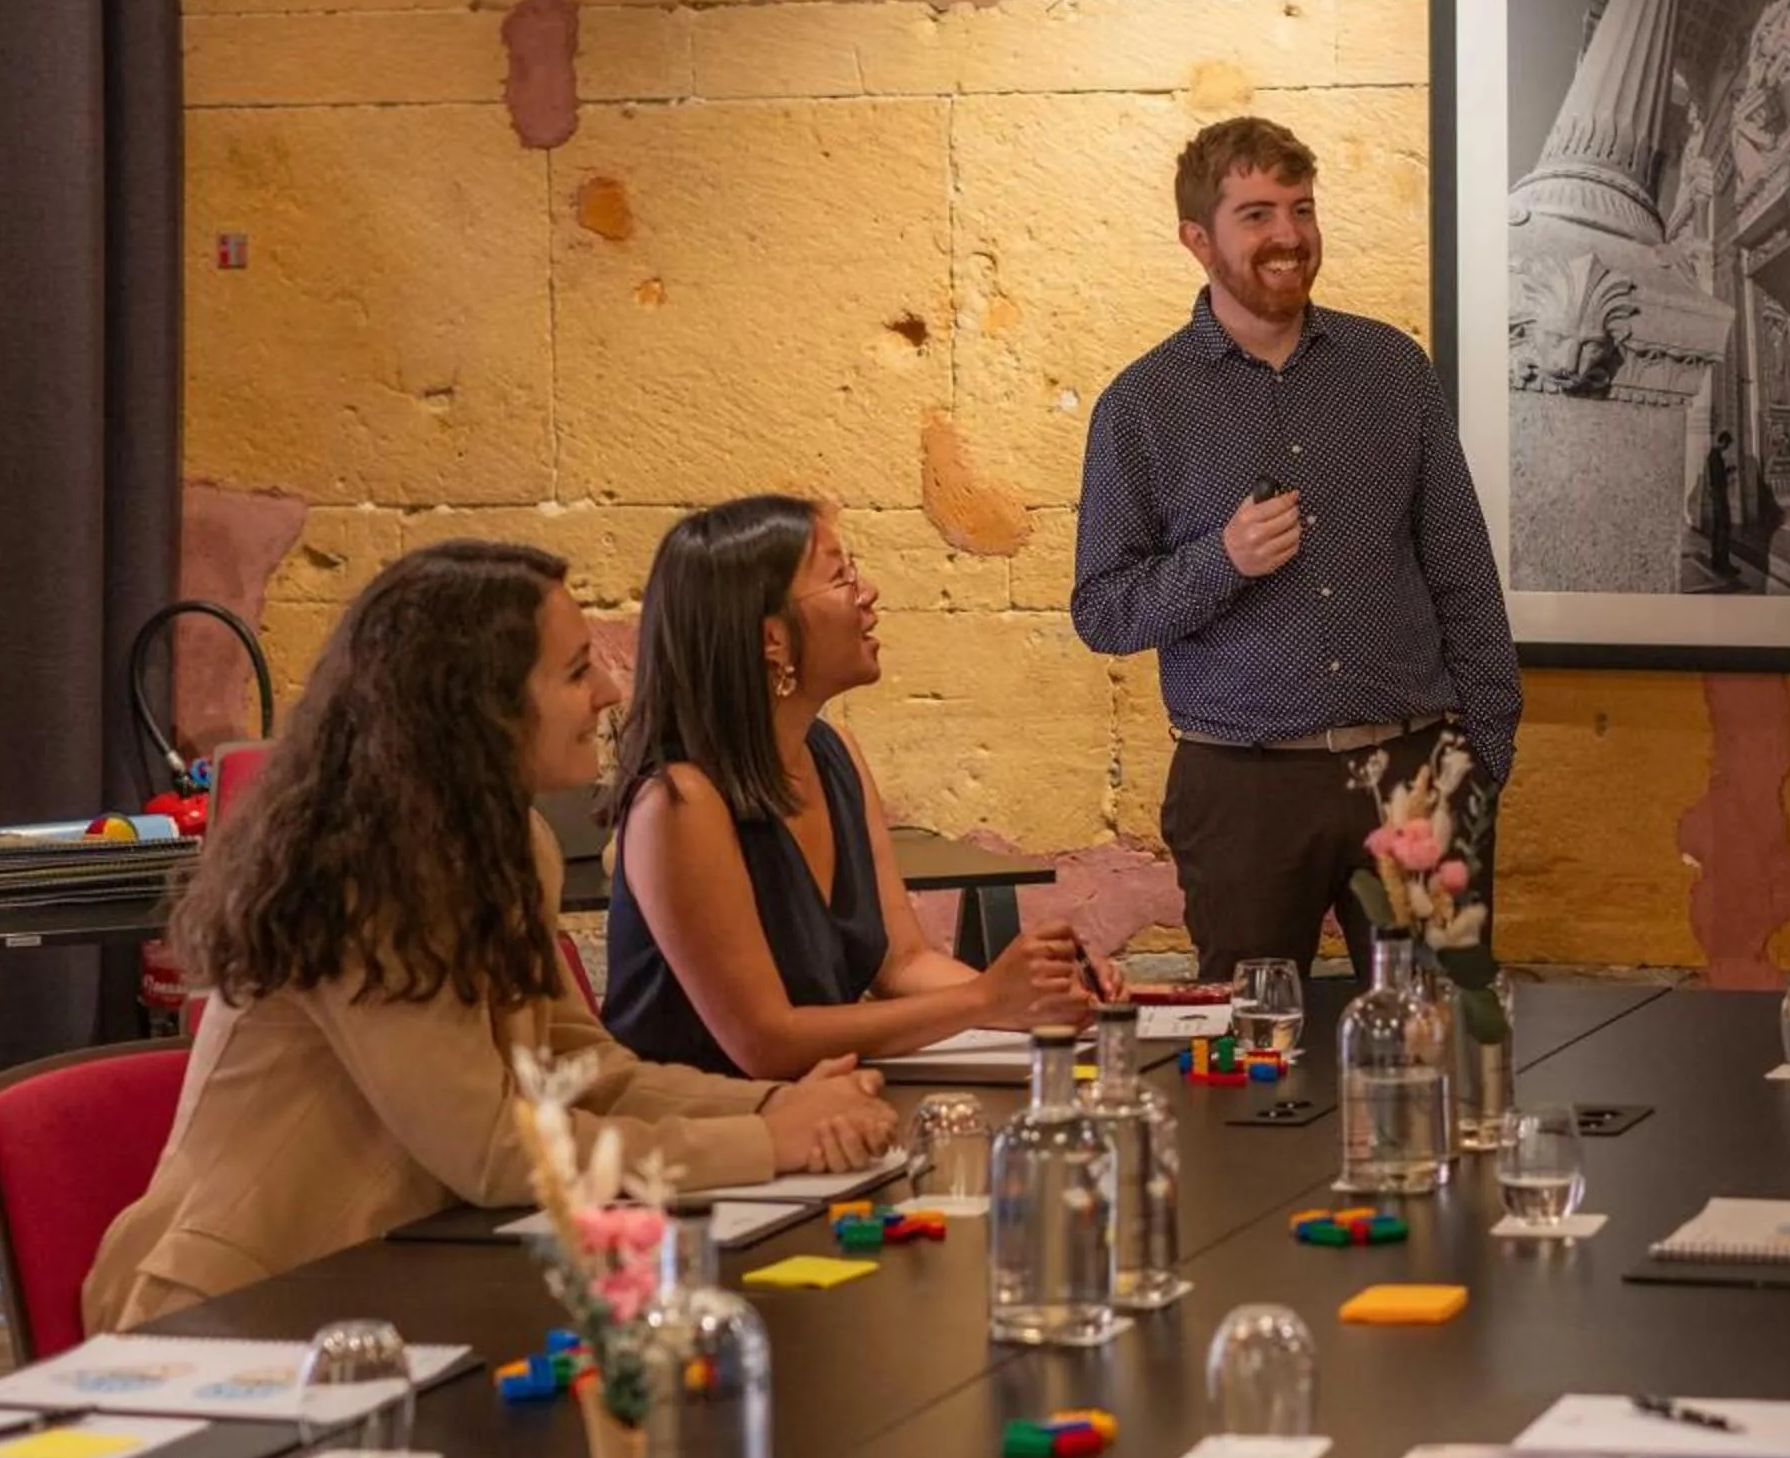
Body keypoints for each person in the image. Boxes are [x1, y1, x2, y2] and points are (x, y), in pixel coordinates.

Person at [85, 542, 899, 1331]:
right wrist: (766, 1140)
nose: (612, 690)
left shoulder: (506, 845)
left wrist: (780, 1105)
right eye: (578, 671)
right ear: (479, 702)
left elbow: (581, 1074)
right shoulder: (373, 875)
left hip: (381, 1289)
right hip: (238, 1314)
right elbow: (495, 1152)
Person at [1071, 115, 1522, 979]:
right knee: (1250, 1059)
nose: (1288, 236)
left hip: (1416, 773)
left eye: (1302, 209)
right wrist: (1222, 561)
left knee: (1435, 1047)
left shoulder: (1392, 369)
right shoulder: (1140, 406)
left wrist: (1480, 764)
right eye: (1257, 214)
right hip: (1241, 788)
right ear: (1197, 239)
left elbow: (1463, 574)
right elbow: (1102, 610)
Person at [602, 497, 1112, 1079]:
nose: (868, 592)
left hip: (820, 1119)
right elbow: (767, 1042)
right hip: (704, 1142)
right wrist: (988, 1000)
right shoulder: (679, 805)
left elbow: (904, 963)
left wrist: (1043, 1000)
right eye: (841, 576)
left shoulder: (834, 754)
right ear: (773, 638)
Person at [1699, 428, 1737, 585]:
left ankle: (1718, 561)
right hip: (1719, 497)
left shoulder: (1714, 456)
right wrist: (1728, 474)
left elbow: (1716, 476)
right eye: (1727, 444)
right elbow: (1718, 479)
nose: (1727, 448)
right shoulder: (1715, 456)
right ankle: (1723, 564)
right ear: (1723, 441)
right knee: (1723, 529)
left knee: (1719, 529)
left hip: (1717, 496)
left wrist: (1726, 471)